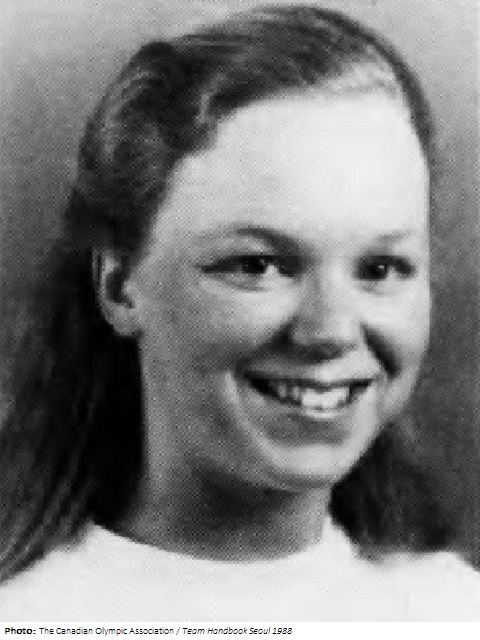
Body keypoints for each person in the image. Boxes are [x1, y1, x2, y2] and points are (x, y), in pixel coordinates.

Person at [0, 4, 479, 621]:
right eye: (258, 265)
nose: (330, 331)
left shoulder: (452, 610)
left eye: (381, 269)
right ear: (119, 286)